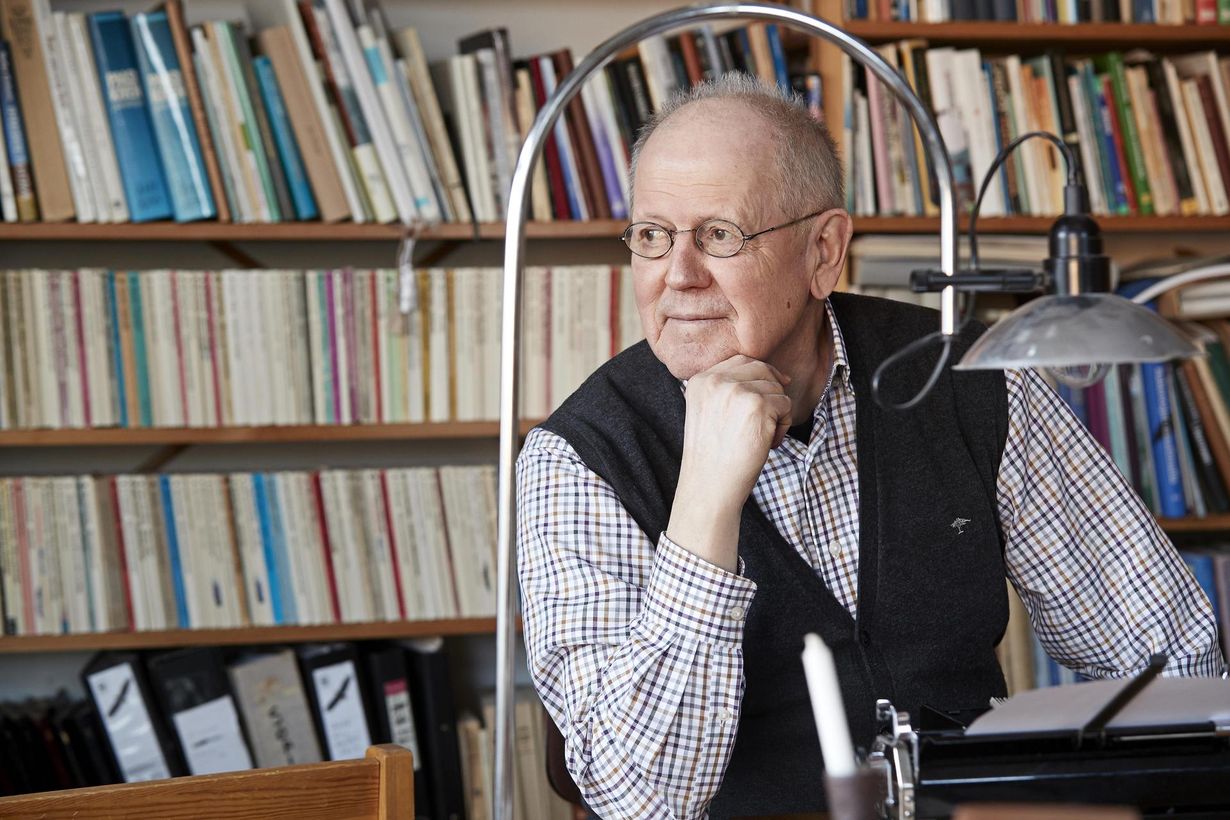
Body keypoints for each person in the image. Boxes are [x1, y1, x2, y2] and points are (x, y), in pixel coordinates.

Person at [516, 74, 1226, 820]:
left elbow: (1169, 658)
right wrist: (703, 505)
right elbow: (641, 799)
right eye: (652, 236)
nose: (679, 276)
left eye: (720, 235)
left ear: (824, 250)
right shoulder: (578, 458)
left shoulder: (973, 377)